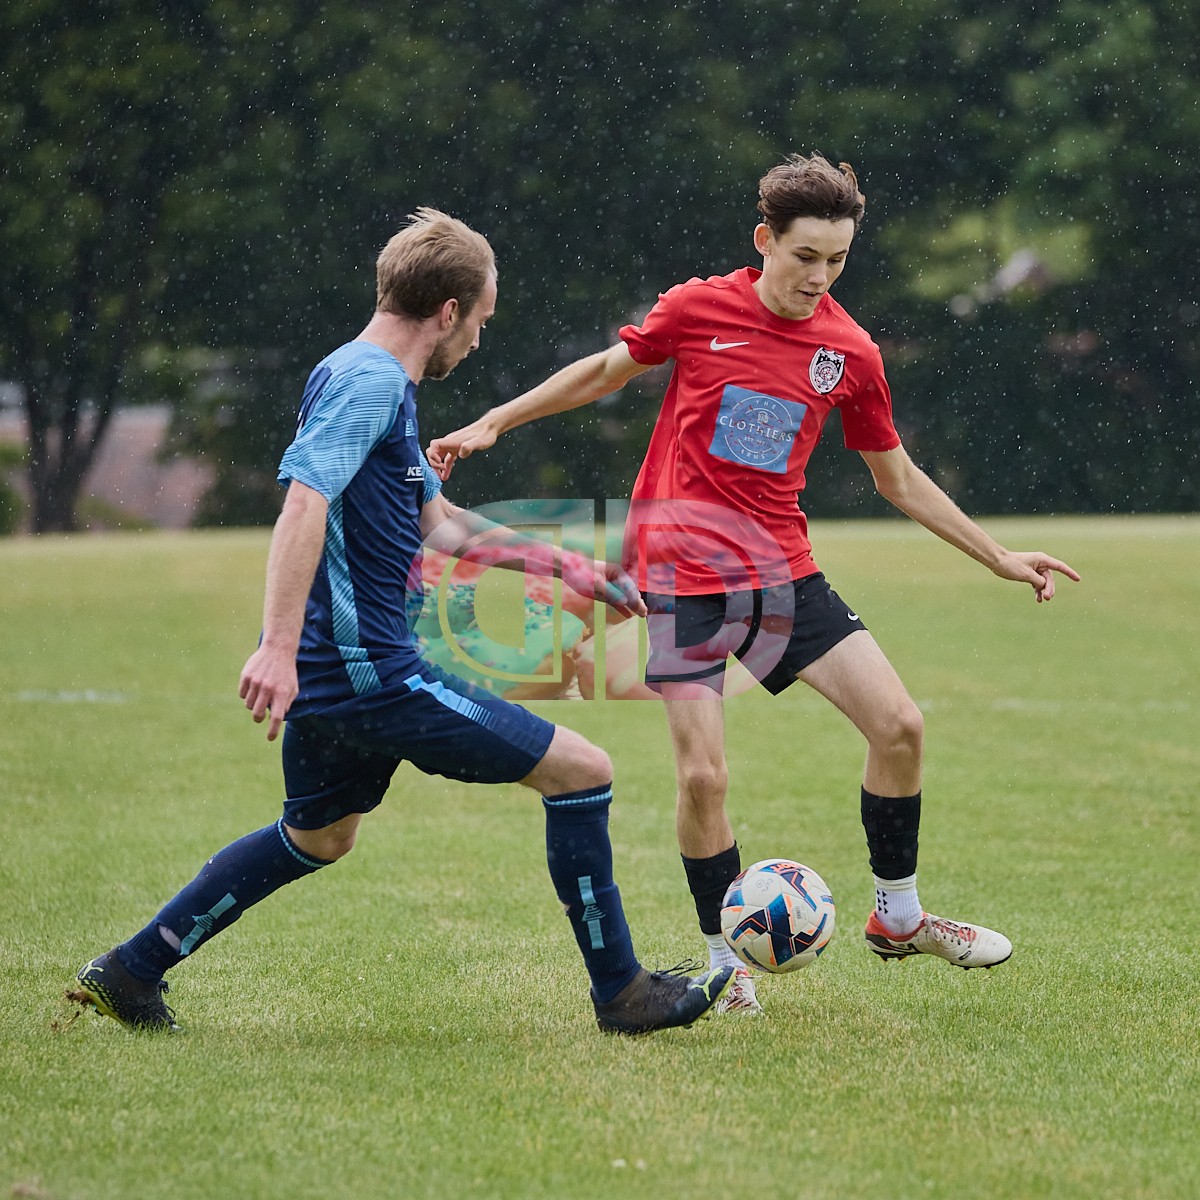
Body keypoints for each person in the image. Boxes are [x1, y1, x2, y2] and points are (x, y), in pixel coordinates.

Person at [427, 156, 1082, 1015]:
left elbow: (897, 478)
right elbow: (604, 371)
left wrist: (995, 555)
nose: (820, 276)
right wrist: (495, 421)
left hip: (783, 573)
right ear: (765, 239)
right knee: (704, 779)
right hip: (680, 578)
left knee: (900, 727)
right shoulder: (698, 308)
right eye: (805, 256)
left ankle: (899, 917)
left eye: (837, 260)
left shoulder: (850, 352)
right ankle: (722, 963)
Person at [69, 208, 734, 1035]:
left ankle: (131, 971)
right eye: (481, 320)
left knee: (320, 837)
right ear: (448, 311)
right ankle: (622, 994)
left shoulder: (366, 377)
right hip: (369, 672)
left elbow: (440, 524)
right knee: (583, 770)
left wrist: (569, 568)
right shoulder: (371, 385)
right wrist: (276, 647)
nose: (480, 340)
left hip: (339, 672)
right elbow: (304, 502)